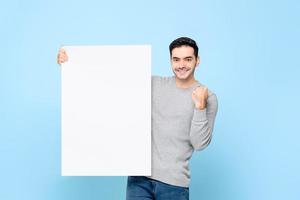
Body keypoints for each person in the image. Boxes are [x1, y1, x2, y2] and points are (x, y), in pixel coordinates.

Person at [57, 37, 218, 200]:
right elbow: (107, 80)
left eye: (187, 59)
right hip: (139, 181)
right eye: (176, 59)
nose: (181, 65)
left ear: (197, 61)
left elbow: (199, 143)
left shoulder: (207, 97)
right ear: (171, 61)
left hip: (174, 185)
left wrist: (200, 107)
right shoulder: (153, 85)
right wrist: (73, 62)